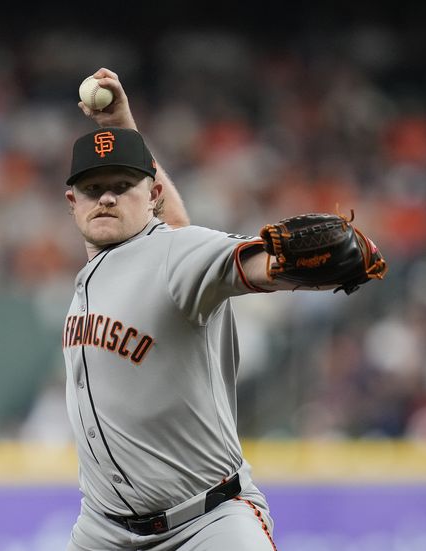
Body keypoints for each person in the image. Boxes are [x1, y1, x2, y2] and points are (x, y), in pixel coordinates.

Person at [62, 68, 385, 551]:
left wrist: (279, 265)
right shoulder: (104, 269)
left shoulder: (178, 255)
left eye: (121, 184)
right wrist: (126, 130)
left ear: (150, 195)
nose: (105, 196)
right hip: (103, 531)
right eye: (92, 188)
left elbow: (246, 264)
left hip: (207, 524)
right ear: (72, 202)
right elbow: (176, 226)